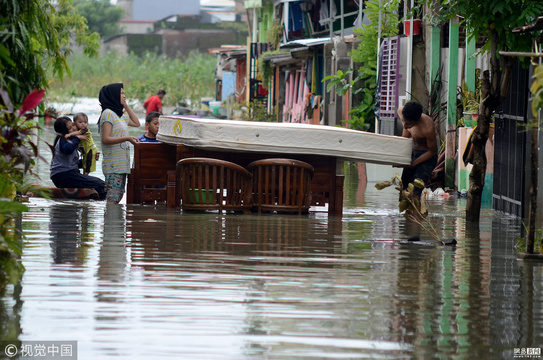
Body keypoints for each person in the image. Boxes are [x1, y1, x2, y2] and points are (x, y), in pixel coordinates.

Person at [98, 83, 141, 204]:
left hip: (122, 165)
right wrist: (126, 138)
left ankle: (114, 223)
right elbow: (106, 139)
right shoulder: (108, 114)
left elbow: (136, 123)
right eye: (121, 93)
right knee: (112, 200)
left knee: (117, 198)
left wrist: (125, 105)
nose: (124, 95)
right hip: (113, 165)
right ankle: (110, 222)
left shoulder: (119, 115)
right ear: (113, 95)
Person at [50, 116, 106, 200]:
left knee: (99, 184)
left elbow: (74, 163)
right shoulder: (63, 140)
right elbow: (68, 150)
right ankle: (104, 208)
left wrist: (91, 158)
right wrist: (77, 138)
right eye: (70, 128)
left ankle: (90, 206)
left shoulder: (70, 141)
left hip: (68, 175)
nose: (74, 128)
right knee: (101, 185)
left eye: (73, 125)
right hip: (63, 176)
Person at [397, 101, 438, 197]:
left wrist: (414, 163)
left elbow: (433, 151)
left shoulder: (427, 128)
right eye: (403, 121)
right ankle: (407, 212)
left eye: (409, 124)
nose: (405, 126)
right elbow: (405, 138)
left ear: (417, 121)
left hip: (426, 158)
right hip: (412, 153)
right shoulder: (401, 111)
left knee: (415, 192)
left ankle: (417, 211)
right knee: (404, 192)